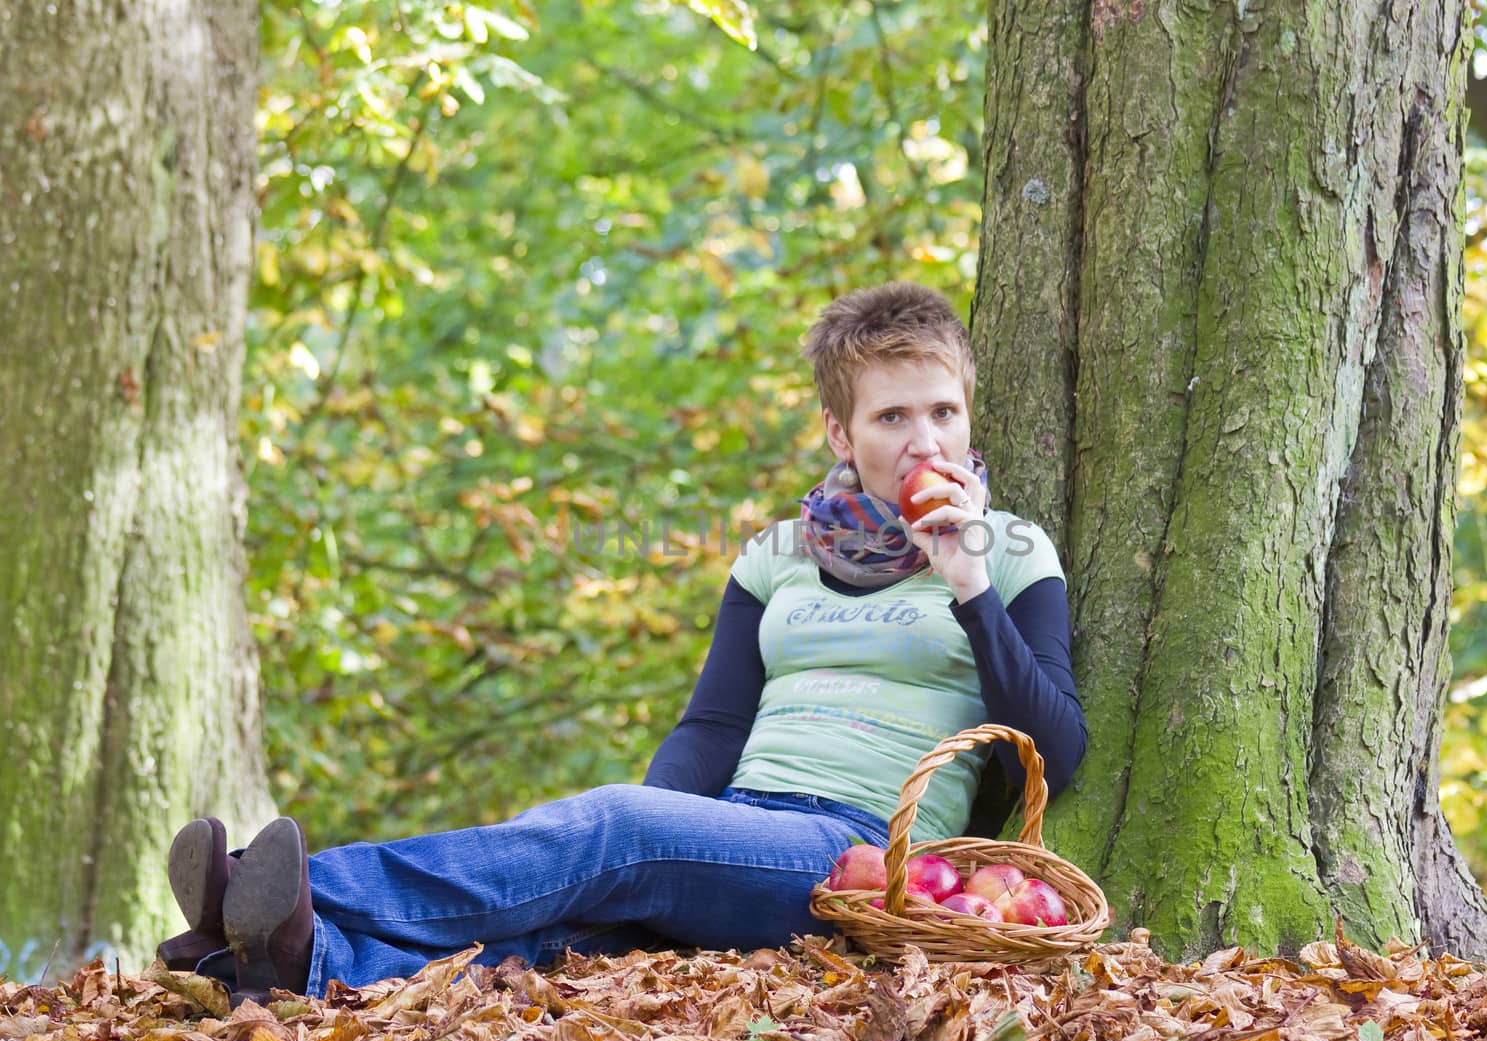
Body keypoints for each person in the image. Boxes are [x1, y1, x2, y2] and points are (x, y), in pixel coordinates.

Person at [156, 281, 1088, 1001]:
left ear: (967, 415)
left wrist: (967, 582)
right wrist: (636, 849)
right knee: (574, 927)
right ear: (840, 430)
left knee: (613, 830)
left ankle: (272, 888)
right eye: (892, 416)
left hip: (858, 854)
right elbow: (712, 728)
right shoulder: (777, 554)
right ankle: (296, 961)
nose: (924, 440)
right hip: (737, 818)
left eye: (942, 412)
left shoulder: (1008, 551)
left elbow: (1061, 747)